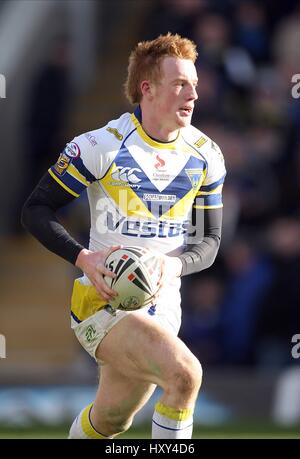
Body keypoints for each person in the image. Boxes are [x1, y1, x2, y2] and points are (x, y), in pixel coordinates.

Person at [21, 33, 226, 439]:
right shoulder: (100, 146)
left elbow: (210, 242)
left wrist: (174, 264)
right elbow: (35, 211)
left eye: (195, 85)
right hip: (104, 303)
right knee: (185, 376)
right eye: (180, 84)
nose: (193, 94)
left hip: (163, 305)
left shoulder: (207, 156)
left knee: (112, 419)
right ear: (147, 89)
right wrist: (85, 259)